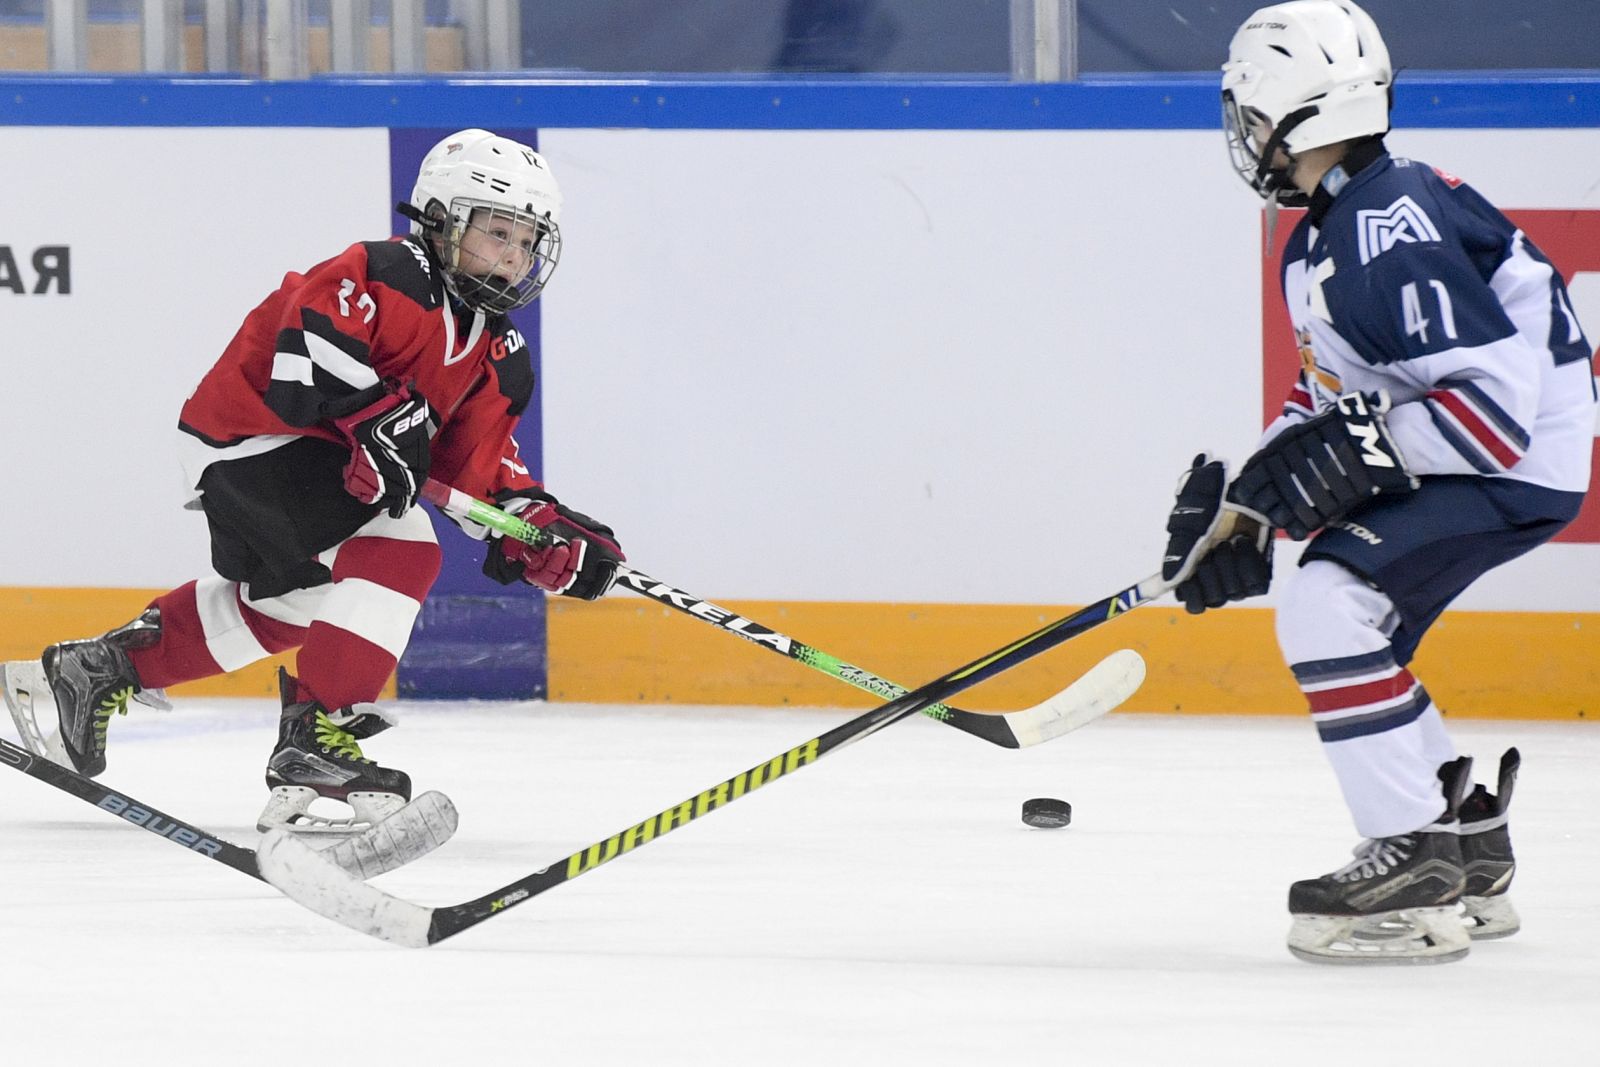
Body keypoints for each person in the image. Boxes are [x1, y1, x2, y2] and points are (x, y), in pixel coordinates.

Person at [2, 129, 625, 834]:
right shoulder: (388, 270)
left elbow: (476, 476)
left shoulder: (500, 353)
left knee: (309, 602)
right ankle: (316, 734)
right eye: (497, 231)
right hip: (254, 440)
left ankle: (103, 666)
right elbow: (307, 346)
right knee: (405, 548)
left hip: (319, 475)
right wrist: (372, 412)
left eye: (525, 239)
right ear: (444, 221)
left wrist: (538, 529)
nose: (513, 254)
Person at [1160, 1, 1594, 964]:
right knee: (1343, 606)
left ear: (1283, 113)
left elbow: (1491, 413)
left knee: (1330, 602)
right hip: (1485, 456)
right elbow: (1328, 400)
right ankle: (1464, 837)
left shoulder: (1387, 224)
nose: (1243, 133)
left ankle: (1415, 854)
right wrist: (1245, 507)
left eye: (1248, 111)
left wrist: (1347, 460)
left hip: (1509, 462)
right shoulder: (1323, 235)